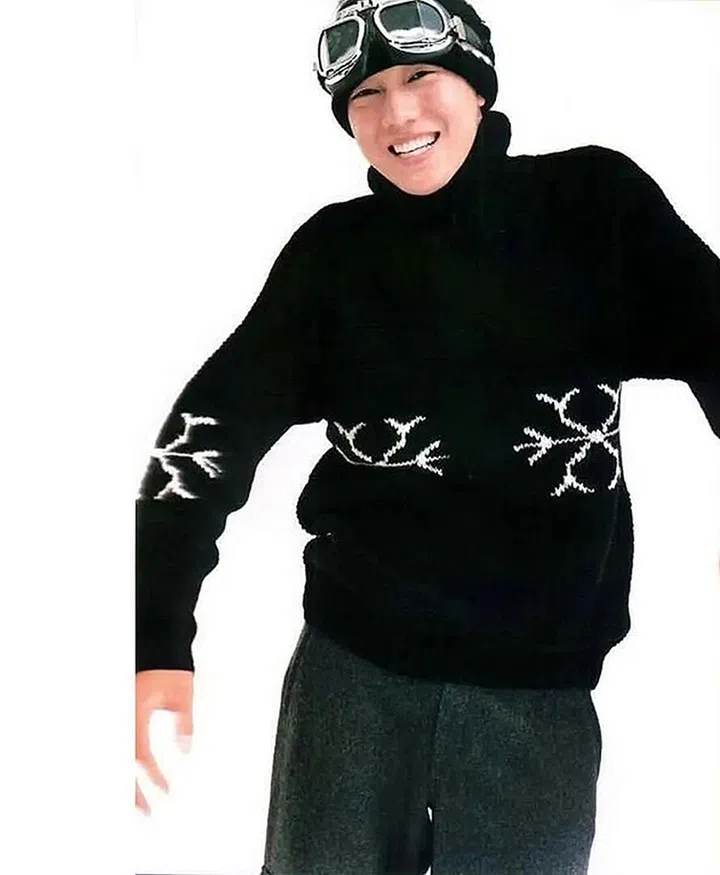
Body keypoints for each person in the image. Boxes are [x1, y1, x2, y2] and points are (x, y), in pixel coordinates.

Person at [135, 1, 720, 872]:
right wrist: (155, 635)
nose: (398, 113)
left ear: (478, 84)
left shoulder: (595, 208)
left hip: (538, 699)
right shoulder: (333, 258)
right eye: (365, 94)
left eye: (420, 75)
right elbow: (204, 436)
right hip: (351, 683)